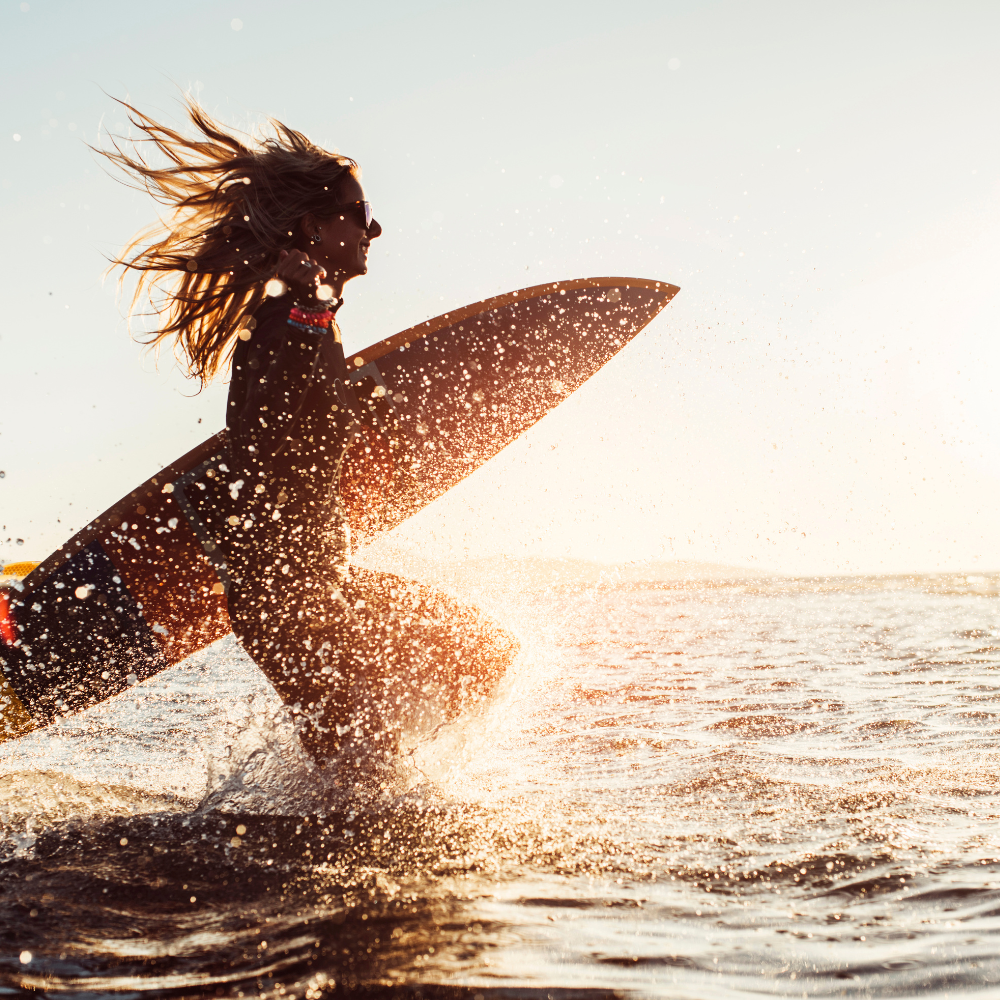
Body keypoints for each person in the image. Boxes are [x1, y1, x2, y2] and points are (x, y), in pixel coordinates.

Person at [101, 99, 517, 763]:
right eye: (356, 214)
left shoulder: (304, 324)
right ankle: (321, 826)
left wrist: (322, 325)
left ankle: (332, 811)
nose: (373, 228)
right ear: (311, 226)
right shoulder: (290, 323)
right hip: (290, 599)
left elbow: (288, 423)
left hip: (320, 584)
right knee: (361, 767)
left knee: (482, 655)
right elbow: (268, 430)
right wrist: (307, 307)